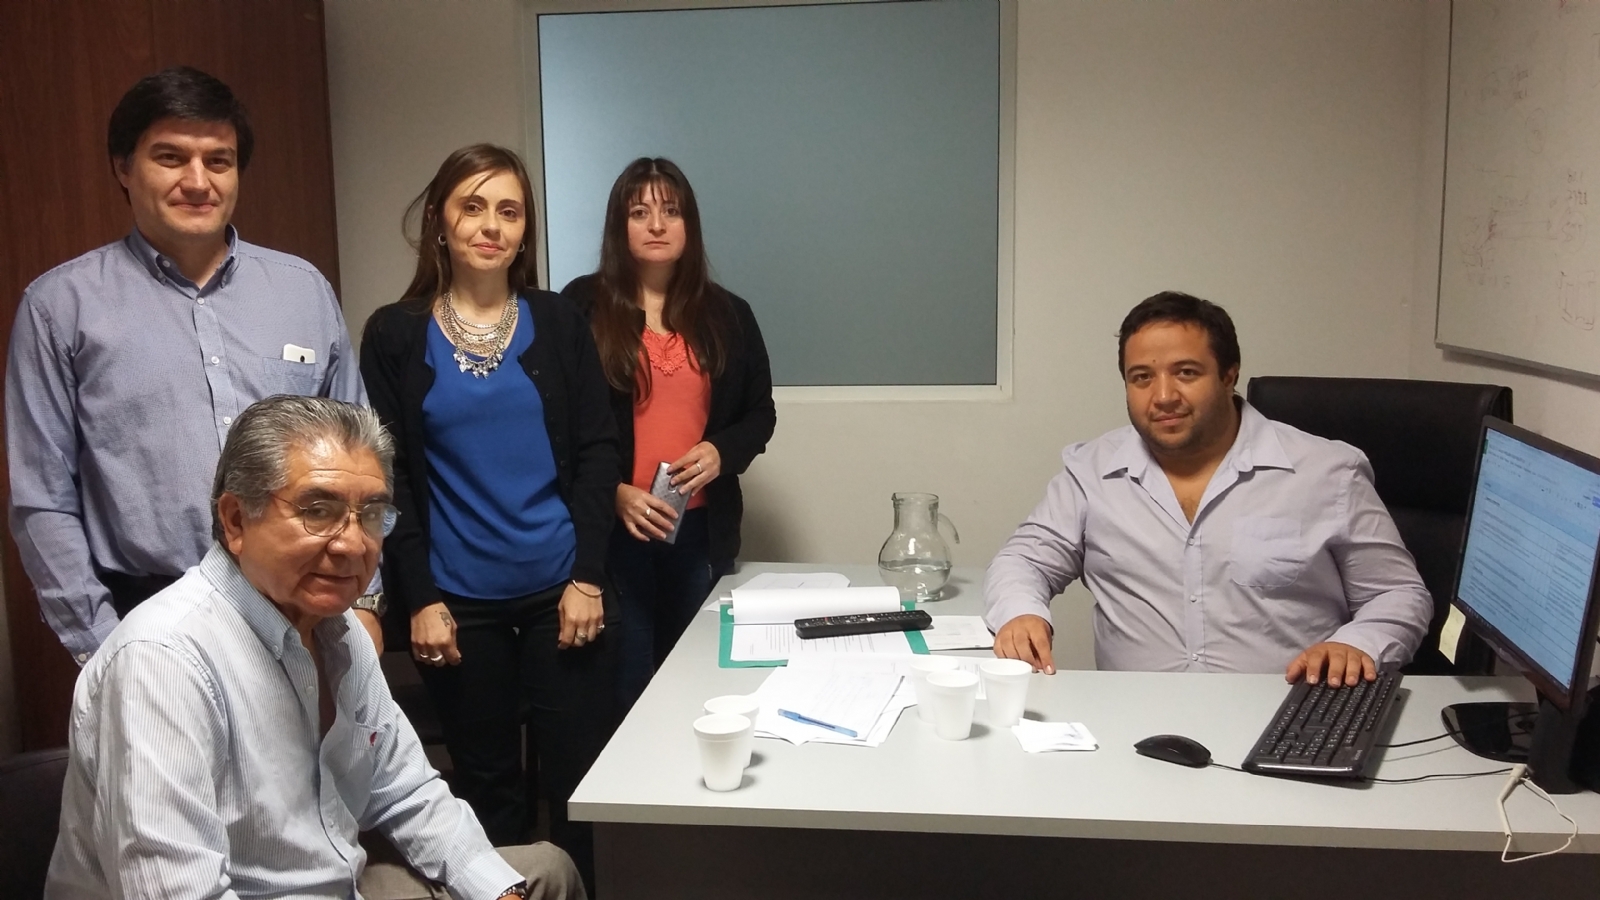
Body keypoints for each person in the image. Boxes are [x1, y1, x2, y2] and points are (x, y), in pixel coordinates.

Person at [45, 396, 584, 900]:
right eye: (318, 510)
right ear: (236, 520)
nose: (353, 543)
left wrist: (501, 894)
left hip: (334, 882)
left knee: (545, 871)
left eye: (371, 514)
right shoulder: (163, 660)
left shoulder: (338, 631)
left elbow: (407, 792)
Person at [6, 66, 380, 665]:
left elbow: (357, 459)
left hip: (304, 605)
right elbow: (43, 500)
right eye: (171, 157)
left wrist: (365, 601)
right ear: (123, 168)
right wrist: (105, 646)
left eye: (219, 160)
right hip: (149, 613)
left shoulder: (303, 291)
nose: (198, 181)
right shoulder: (60, 308)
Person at [361, 144, 619, 894]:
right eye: (472, 207)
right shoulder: (396, 334)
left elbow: (599, 451)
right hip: (456, 602)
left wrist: (589, 578)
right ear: (439, 222)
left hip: (561, 592)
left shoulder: (558, 321)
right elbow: (390, 479)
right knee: (486, 789)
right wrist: (420, 597)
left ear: (525, 229)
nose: (490, 225)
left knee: (579, 784)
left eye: (508, 210)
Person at [984, 291, 1432, 685]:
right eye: (1142, 377)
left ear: (1228, 375)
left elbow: (1398, 594)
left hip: (1286, 716)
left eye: (1186, 373)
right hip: (1137, 723)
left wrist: (1358, 645)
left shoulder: (1327, 472)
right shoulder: (1091, 472)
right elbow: (1024, 560)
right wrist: (1022, 613)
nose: (1163, 396)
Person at [560, 157, 776, 713]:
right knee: (627, 684)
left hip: (700, 531)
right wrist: (612, 493)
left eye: (671, 212)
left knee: (696, 681)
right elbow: (558, 424)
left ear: (689, 225)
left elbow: (760, 414)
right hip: (613, 533)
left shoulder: (729, 314)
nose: (657, 225)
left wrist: (721, 451)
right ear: (620, 226)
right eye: (640, 213)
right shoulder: (581, 307)